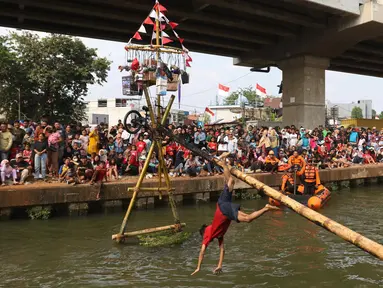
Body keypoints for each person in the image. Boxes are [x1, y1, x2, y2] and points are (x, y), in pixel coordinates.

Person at [191, 152, 279, 276]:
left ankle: (266, 208)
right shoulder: (218, 234)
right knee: (231, 181)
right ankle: (223, 162)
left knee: (248, 219)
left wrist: (198, 267)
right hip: (222, 205)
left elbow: (202, 252)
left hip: (224, 210)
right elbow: (222, 250)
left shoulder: (207, 234)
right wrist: (219, 265)